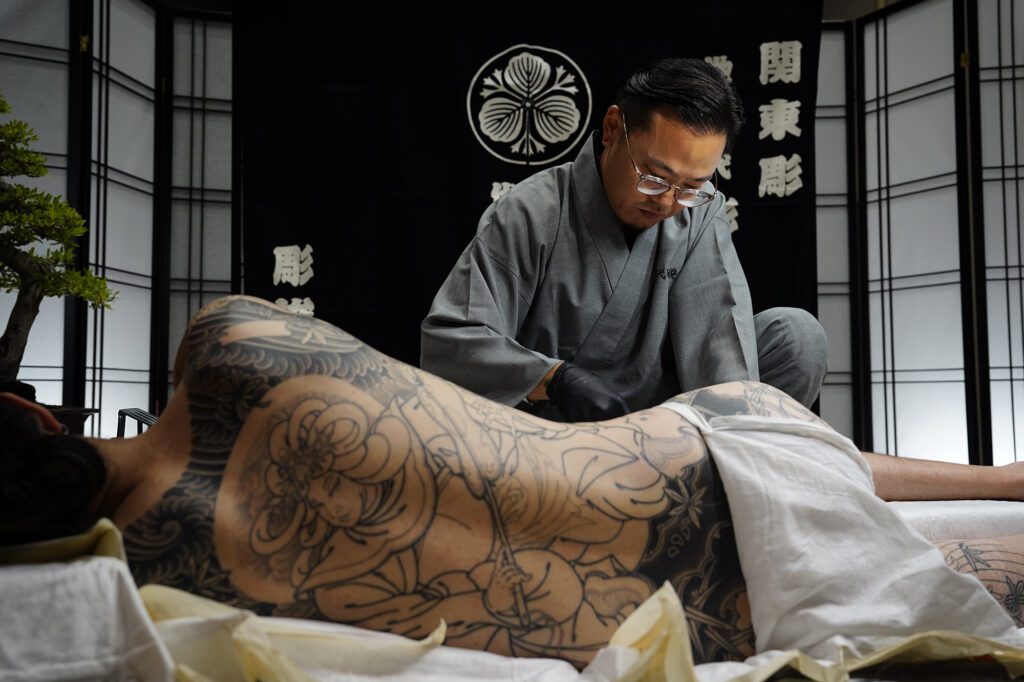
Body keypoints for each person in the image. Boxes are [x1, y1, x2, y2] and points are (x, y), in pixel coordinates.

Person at [1, 296, 1022, 668]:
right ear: (28, 417)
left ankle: (1001, 478)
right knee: (757, 432)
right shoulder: (225, 337)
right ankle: (1002, 474)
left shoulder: (151, 584)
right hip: (699, 446)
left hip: (743, 602)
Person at [421, 57, 828, 423]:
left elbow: (718, 341)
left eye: (691, 186)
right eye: (654, 177)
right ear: (613, 129)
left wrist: (730, 425)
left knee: (796, 337)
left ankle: (717, 476)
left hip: (663, 426)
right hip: (551, 425)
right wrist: (553, 377)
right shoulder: (533, 210)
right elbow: (454, 339)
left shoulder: (698, 211)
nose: (669, 202)